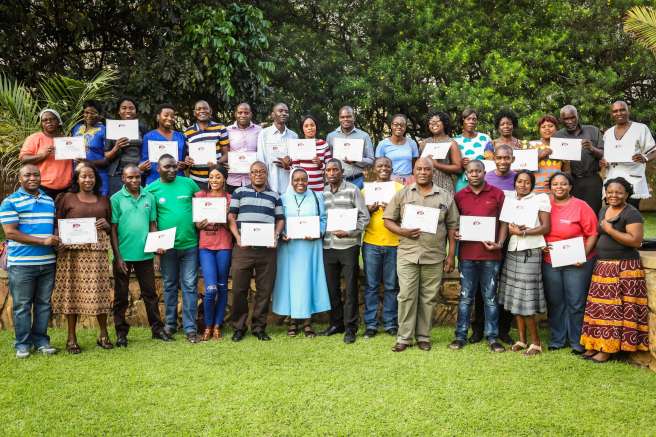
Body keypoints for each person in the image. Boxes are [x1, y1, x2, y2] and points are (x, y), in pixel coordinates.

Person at [383, 158, 459, 352]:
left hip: (434, 255)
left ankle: (423, 336)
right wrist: (403, 232)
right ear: (414, 172)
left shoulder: (445, 196)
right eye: (419, 169)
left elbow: (452, 227)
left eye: (427, 169)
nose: (423, 172)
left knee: (428, 297)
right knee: (406, 295)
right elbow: (388, 220)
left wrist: (451, 256)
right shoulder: (403, 194)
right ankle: (404, 338)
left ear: (433, 172)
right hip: (408, 254)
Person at [580, 177, 649, 363]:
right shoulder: (604, 209)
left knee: (615, 310)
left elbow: (635, 241)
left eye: (618, 192)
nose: (613, 195)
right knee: (600, 309)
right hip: (603, 266)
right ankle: (595, 344)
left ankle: (608, 350)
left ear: (627, 194)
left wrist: (610, 230)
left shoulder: (631, 213)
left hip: (623, 268)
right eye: (610, 192)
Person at [52, 163, 115, 353]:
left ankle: (103, 334)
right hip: (71, 254)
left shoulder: (104, 200)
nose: (88, 180)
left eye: (91, 177)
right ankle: (71, 338)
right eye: (84, 176)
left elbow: (111, 228)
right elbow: (58, 224)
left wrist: (106, 225)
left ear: (96, 179)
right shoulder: (66, 198)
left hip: (97, 255)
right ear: (77, 179)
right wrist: (58, 242)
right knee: (72, 294)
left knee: (100, 293)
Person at [0, 164, 60, 358]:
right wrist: (43, 241)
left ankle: (41, 340)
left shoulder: (49, 201)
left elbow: (52, 228)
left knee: (44, 304)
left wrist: (58, 239)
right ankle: (23, 344)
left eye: (36, 174)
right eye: (27, 175)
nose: (32, 178)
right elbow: (10, 232)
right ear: (20, 179)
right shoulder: (10, 201)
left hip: (47, 261)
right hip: (22, 263)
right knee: (22, 305)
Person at [110, 164, 172, 347]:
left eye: (137, 177)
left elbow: (153, 224)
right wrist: (118, 257)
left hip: (145, 255)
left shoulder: (149, 197)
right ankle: (121, 333)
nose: (134, 180)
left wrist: (157, 250)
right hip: (124, 256)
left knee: (150, 294)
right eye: (130, 177)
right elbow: (112, 229)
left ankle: (157, 329)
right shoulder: (116, 199)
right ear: (123, 178)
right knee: (121, 297)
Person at [450, 160, 508, 353]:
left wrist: (499, 244)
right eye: (470, 172)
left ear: (484, 172)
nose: (474, 174)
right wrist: (457, 233)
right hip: (467, 254)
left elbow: (503, 222)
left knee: (490, 298)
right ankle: (460, 336)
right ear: (466, 174)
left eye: (478, 171)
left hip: (490, 255)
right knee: (465, 298)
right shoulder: (459, 196)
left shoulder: (497, 194)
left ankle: (493, 337)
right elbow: (454, 223)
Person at [145, 154, 201, 343]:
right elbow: (151, 220)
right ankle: (169, 324)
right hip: (167, 248)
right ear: (157, 169)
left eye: (174, 166)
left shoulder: (189, 184)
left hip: (190, 245)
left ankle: (190, 328)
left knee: (189, 286)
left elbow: (203, 205)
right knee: (169, 285)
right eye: (166, 167)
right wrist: (154, 247)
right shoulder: (151, 189)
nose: (171, 170)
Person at [228, 161, 285, 342]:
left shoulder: (274, 195)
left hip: (267, 250)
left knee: (264, 290)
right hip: (243, 248)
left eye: (261, 171)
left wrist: (275, 236)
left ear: (266, 174)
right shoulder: (239, 192)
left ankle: (259, 327)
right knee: (238, 289)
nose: (258, 174)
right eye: (254, 172)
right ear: (249, 174)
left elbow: (280, 219)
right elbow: (231, 217)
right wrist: (237, 238)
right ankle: (239, 327)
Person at [542, 172, 598, 354]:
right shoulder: (544, 205)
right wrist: (541, 245)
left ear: (570, 186)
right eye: (555, 184)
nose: (559, 187)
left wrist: (583, 255)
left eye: (563, 184)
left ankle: (577, 341)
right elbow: (538, 229)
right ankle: (557, 339)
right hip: (551, 261)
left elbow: (593, 234)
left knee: (576, 302)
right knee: (555, 301)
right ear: (550, 187)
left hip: (578, 262)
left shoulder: (581, 206)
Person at [498, 170, 551, 356]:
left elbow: (546, 226)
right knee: (515, 297)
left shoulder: (540, 199)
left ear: (532, 184)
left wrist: (523, 233)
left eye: (527, 182)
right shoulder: (510, 200)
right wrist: (499, 243)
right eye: (520, 181)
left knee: (526, 299)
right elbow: (505, 224)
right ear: (515, 183)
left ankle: (536, 342)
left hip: (530, 251)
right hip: (513, 251)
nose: (523, 185)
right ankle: (522, 339)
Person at [272, 168, 331, 337]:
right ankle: (292, 320)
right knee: (290, 283)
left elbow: (324, 218)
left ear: (308, 180)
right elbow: (279, 220)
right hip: (289, 247)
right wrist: (281, 234)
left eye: (303, 180)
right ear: (291, 181)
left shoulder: (316, 197)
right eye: (296, 180)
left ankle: (307, 322)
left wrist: (318, 232)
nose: (300, 183)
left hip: (310, 245)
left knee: (308, 281)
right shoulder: (282, 198)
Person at [321, 159, 370, 343]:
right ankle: (336, 323)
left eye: (335, 170)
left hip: (348, 245)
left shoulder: (352, 190)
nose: (332, 173)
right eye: (329, 170)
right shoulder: (323, 192)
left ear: (342, 172)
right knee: (331, 288)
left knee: (350, 289)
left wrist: (350, 232)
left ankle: (350, 328)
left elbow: (364, 216)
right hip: (328, 246)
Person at [361, 157, 403, 338]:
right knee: (371, 286)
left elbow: (407, 216)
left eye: (387, 165)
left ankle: (390, 323)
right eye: (380, 166)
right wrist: (368, 210)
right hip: (371, 243)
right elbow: (358, 218)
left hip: (394, 243)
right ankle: (371, 324)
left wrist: (392, 210)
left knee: (392, 286)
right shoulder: (365, 190)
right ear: (374, 169)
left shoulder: (400, 189)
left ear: (392, 168)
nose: (384, 168)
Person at [195, 167, 233, 341]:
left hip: (224, 245)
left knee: (222, 287)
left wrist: (223, 218)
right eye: (212, 177)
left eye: (218, 176)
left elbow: (231, 227)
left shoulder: (229, 199)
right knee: (210, 289)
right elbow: (196, 224)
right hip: (206, 246)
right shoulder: (201, 196)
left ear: (224, 179)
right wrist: (200, 225)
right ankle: (208, 325)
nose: (215, 180)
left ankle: (218, 325)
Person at [601, 101, 656, 209]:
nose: (619, 113)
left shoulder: (640, 128)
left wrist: (645, 158)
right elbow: (607, 157)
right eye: (615, 111)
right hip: (612, 180)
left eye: (622, 110)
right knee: (614, 216)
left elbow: (654, 151)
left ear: (628, 111)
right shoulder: (608, 133)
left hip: (633, 180)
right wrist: (604, 162)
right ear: (611, 114)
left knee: (631, 215)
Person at [552, 105, 604, 214]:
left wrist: (591, 148)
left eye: (573, 117)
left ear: (577, 116)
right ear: (561, 120)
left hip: (592, 179)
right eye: (566, 119)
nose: (570, 121)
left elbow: (603, 154)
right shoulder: (558, 136)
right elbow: (555, 161)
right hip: (570, 181)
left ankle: (594, 232)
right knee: (572, 213)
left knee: (593, 213)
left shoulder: (593, 130)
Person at [19, 109, 73, 199]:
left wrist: (79, 156)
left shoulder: (67, 141)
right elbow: (23, 159)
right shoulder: (34, 138)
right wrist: (42, 155)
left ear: (58, 121)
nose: (49, 122)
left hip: (67, 188)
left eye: (52, 119)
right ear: (41, 123)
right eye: (45, 120)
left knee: (62, 213)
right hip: (43, 187)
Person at [104, 97, 149, 196]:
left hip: (138, 172)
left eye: (131, 108)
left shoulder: (141, 128)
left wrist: (141, 168)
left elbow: (147, 150)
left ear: (136, 111)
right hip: (117, 173)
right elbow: (106, 155)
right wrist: (116, 148)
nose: (128, 111)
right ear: (119, 111)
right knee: (117, 203)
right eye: (124, 108)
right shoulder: (112, 128)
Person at [184, 100, 230, 190]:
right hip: (196, 180)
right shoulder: (188, 132)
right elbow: (186, 155)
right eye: (199, 109)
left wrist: (217, 163)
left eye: (205, 108)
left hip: (216, 179)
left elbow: (227, 154)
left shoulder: (220, 128)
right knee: (198, 204)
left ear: (210, 111)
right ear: (194, 113)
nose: (202, 111)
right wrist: (187, 159)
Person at [326, 106, 375, 189]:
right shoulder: (331, 136)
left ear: (354, 117)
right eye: (342, 117)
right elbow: (328, 160)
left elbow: (371, 161)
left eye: (348, 116)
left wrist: (355, 160)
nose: (345, 119)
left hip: (358, 180)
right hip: (337, 181)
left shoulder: (364, 136)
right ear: (339, 118)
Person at [140, 104, 189, 185]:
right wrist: (143, 167)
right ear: (158, 117)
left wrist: (184, 165)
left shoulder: (180, 136)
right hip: (155, 180)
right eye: (166, 115)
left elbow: (184, 160)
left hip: (177, 179)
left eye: (172, 116)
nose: (169, 118)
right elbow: (144, 160)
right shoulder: (148, 137)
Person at [256, 102, 297, 194]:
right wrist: (264, 183)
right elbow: (261, 159)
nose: (284, 113)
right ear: (273, 115)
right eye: (280, 111)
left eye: (286, 111)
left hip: (288, 185)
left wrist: (289, 163)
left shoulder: (293, 136)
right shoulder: (264, 134)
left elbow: (296, 162)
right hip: (270, 183)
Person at [418, 111, 463, 194]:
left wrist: (436, 165)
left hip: (444, 186)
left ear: (444, 123)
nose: (433, 124)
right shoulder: (424, 143)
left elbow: (458, 168)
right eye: (431, 122)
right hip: (425, 186)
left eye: (437, 121)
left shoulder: (451, 143)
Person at [72, 100, 109, 196]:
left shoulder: (105, 130)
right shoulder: (76, 128)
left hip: (98, 175)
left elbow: (107, 160)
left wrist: (87, 162)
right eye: (86, 112)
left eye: (93, 113)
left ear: (100, 115)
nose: (89, 115)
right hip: (78, 175)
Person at [453, 108, 494, 192]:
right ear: (463, 121)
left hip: (484, 181)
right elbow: (453, 164)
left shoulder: (485, 138)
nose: (471, 121)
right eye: (468, 119)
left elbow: (491, 160)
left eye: (474, 119)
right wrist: (461, 164)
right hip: (463, 181)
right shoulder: (455, 141)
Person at [226, 102, 261, 193]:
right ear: (235, 114)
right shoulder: (227, 130)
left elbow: (262, 152)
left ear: (251, 114)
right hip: (233, 180)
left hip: (253, 179)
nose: (243, 115)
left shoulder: (260, 131)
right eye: (240, 112)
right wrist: (224, 163)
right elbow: (224, 151)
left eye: (246, 113)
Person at [375, 114, 419, 184]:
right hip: (389, 180)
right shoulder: (383, 144)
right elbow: (378, 166)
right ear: (391, 126)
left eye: (402, 125)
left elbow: (414, 165)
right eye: (396, 124)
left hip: (408, 181)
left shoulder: (412, 143)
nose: (399, 127)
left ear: (405, 127)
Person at [292, 114, 332, 191]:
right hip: (302, 188)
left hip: (319, 187)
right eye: (306, 126)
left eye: (312, 125)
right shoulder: (298, 145)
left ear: (316, 126)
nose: (310, 128)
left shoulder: (323, 144)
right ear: (302, 129)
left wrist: (320, 164)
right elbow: (294, 167)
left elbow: (330, 167)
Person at [530, 115, 564, 194]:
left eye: (551, 126)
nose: (547, 129)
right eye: (543, 127)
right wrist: (540, 156)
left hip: (556, 191)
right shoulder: (531, 145)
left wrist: (567, 162)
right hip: (535, 190)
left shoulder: (562, 146)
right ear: (539, 130)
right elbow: (524, 168)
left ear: (557, 129)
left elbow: (567, 171)